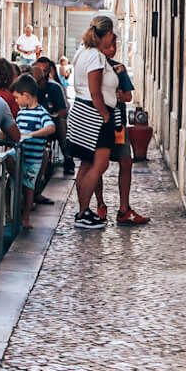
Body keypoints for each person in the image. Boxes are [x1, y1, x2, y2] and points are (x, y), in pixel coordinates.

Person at [68, 15, 119, 228]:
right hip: (95, 115)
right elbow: (94, 90)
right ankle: (82, 213)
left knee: (87, 164)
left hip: (81, 111)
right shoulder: (96, 57)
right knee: (99, 165)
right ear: (107, 35)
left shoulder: (83, 53)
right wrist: (105, 116)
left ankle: (83, 211)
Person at [94, 36, 149, 225]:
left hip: (118, 124)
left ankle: (124, 208)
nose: (112, 49)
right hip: (98, 123)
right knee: (97, 166)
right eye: (108, 45)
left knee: (126, 162)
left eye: (114, 45)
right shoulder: (93, 66)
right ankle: (100, 205)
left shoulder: (119, 68)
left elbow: (127, 96)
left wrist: (113, 93)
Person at [12, 75, 57, 229]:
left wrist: (32, 134)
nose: (16, 101)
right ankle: (9, 212)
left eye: (17, 98)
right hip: (20, 155)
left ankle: (25, 217)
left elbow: (51, 127)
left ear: (26, 95)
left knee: (29, 189)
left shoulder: (40, 113)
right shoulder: (21, 113)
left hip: (33, 159)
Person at [32, 56, 73, 178]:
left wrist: (49, 115)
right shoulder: (29, 87)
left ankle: (67, 157)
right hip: (33, 121)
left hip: (50, 122)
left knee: (60, 122)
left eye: (44, 70)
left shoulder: (55, 88)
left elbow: (63, 112)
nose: (41, 73)